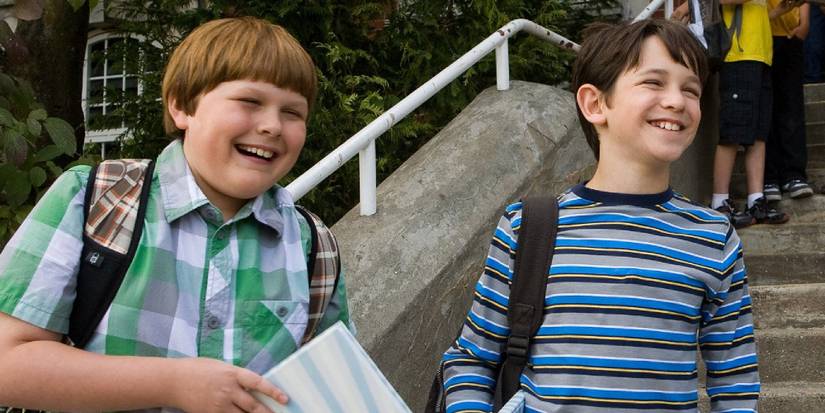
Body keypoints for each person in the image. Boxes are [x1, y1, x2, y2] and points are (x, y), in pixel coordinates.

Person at [0, 17, 351, 413]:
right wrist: (172, 384)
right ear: (182, 106)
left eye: (293, 112)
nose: (272, 125)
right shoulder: (96, 200)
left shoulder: (313, 247)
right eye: (250, 102)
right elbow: (7, 362)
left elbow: (335, 389)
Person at [441, 19, 759, 413]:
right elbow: (471, 359)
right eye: (654, 82)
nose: (677, 101)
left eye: (691, 89)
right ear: (595, 104)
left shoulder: (713, 236)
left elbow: (736, 386)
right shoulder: (529, 227)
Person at [711, 0, 788, 226]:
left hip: (761, 54)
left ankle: (756, 200)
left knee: (758, 133)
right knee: (732, 131)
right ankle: (719, 202)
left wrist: (782, 9)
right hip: (737, 54)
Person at [765, 0, 813, 200]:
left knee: (792, 107)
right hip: (760, 39)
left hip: (790, 37)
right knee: (766, 110)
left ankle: (794, 175)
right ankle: (769, 177)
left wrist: (804, 24)